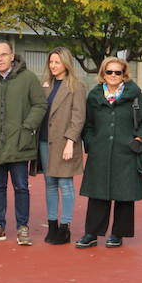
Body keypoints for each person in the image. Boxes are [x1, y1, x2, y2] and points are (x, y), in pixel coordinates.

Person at [76, 59, 142, 249]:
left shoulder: (135, 95)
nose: (113, 75)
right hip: (100, 151)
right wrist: (91, 142)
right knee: (97, 194)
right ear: (103, 73)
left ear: (124, 74)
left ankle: (118, 234)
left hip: (126, 152)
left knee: (124, 194)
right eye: (109, 72)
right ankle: (92, 233)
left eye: (117, 73)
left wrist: (138, 140)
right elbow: (88, 124)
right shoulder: (94, 96)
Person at [0, 40, 47, 245]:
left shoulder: (28, 78)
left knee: (21, 187)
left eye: (3, 55)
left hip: (19, 143)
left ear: (12, 56)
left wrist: (27, 127)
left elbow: (40, 104)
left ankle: (22, 227)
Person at [39, 47, 86, 245]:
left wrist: (70, 143)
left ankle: (65, 228)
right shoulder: (45, 85)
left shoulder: (76, 86)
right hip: (44, 141)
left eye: (57, 62)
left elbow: (78, 117)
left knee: (65, 185)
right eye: (51, 62)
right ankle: (52, 226)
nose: (53, 66)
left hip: (65, 142)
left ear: (66, 63)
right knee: (50, 184)